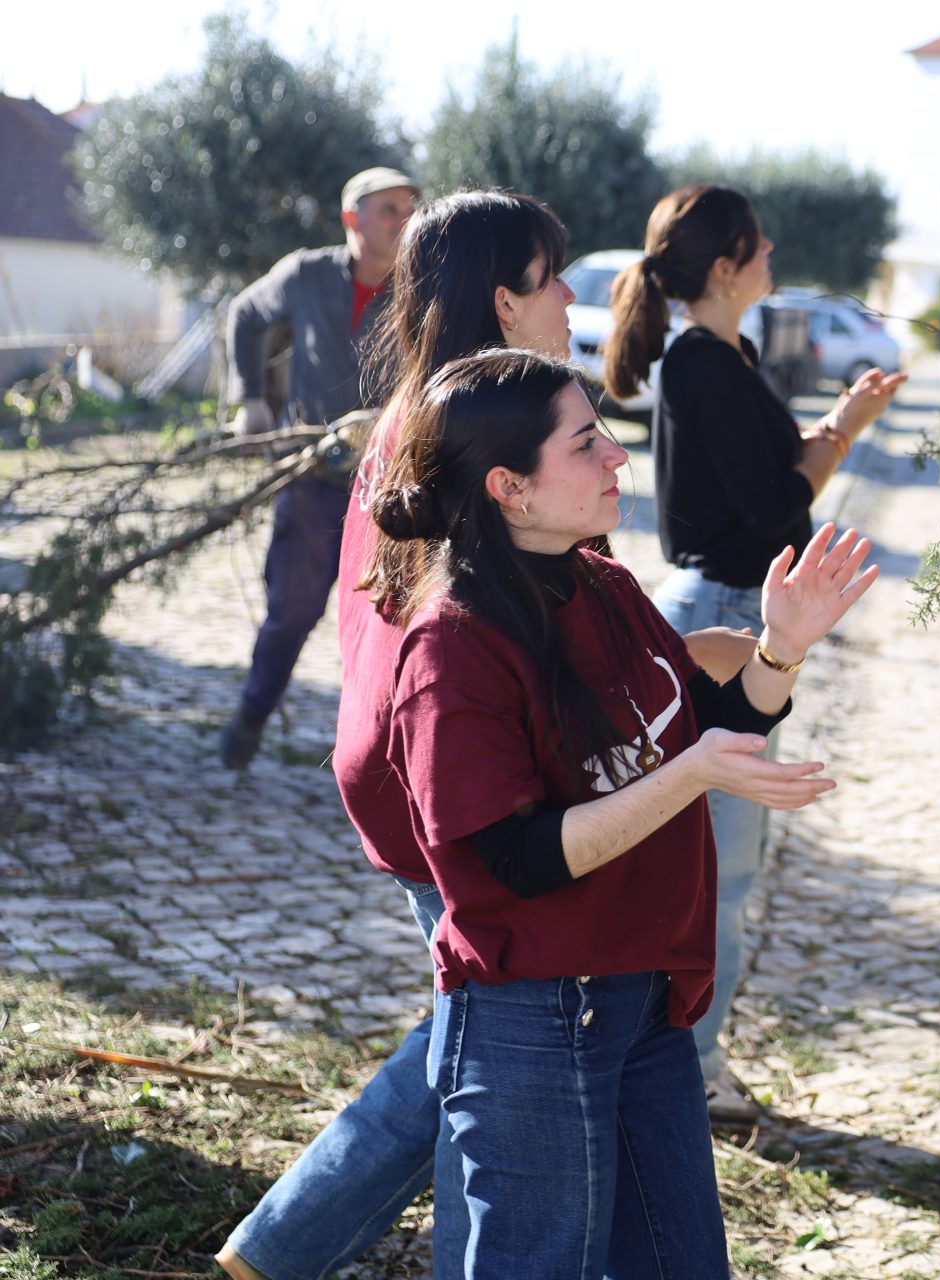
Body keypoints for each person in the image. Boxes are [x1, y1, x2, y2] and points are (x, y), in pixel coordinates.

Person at [216, 191, 755, 1280]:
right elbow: (482, 644)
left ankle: (283, 1245)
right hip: (458, 783)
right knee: (494, 1034)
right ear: (505, 299)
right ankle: (305, 1243)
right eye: (550, 276)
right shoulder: (472, 441)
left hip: (427, 767)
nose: (569, 295)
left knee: (483, 1031)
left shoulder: (453, 412)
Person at [363, 346, 875, 1273]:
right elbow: (518, 858)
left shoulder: (606, 585)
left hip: (642, 1005)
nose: (617, 459)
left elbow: (699, 723)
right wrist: (694, 776)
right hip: (534, 1021)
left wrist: (780, 651)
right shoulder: (453, 646)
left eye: (604, 435)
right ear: (510, 487)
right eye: (586, 442)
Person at [602, 184, 906, 1123]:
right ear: (727, 267)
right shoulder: (701, 362)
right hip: (729, 616)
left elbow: (771, 487)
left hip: (738, 609)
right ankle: (683, 1068)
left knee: (719, 866)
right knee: (720, 872)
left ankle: (679, 1059)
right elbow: (776, 506)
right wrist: (843, 436)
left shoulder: (720, 355)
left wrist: (834, 430)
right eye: (757, 241)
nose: (774, 246)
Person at [218, 165, 420, 770]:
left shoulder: (422, 286)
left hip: (389, 490)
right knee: (291, 612)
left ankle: (387, 754)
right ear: (352, 218)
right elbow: (246, 314)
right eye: (388, 209)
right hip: (312, 479)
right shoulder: (306, 274)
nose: (403, 220)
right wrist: (252, 398)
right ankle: (251, 716)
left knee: (392, 623)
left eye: (410, 207)